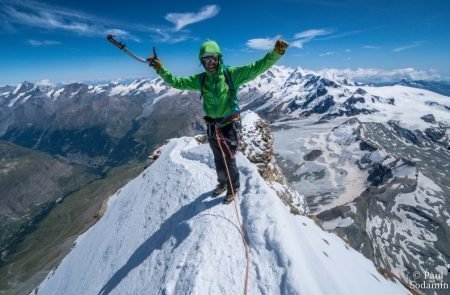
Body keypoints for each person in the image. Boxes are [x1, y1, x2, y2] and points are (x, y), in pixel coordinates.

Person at [147, 39, 288, 204]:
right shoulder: (201, 79)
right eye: (205, 60)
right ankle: (222, 183)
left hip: (229, 123)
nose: (210, 63)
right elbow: (177, 82)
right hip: (212, 124)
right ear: (202, 62)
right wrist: (160, 69)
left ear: (219, 58)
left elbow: (257, 67)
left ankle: (233, 187)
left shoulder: (231, 74)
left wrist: (276, 53)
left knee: (228, 157)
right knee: (217, 157)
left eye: (213, 58)